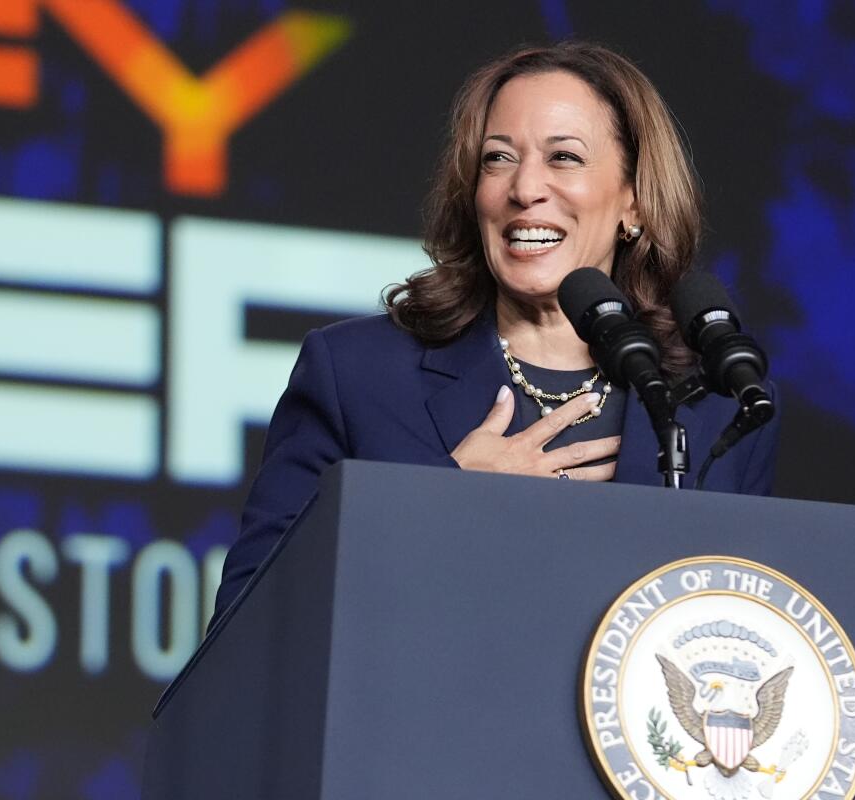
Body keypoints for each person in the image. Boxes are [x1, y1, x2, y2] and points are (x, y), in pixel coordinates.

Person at [212, 41, 779, 622]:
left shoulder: (716, 408)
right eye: (498, 158)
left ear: (633, 201)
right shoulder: (356, 376)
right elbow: (248, 619)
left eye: (564, 158)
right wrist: (441, 506)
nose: (524, 188)